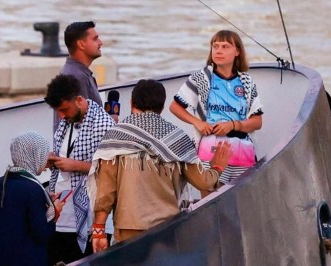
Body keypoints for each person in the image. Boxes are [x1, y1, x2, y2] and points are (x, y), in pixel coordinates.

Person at [88, 79, 232, 253]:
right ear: (162, 107)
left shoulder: (115, 137)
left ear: (132, 103)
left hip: (127, 232)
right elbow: (204, 182)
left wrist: (99, 231)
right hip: (167, 231)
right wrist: (217, 167)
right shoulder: (177, 139)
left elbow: (106, 191)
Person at [169, 30, 263, 191]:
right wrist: (198, 123)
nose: (219, 51)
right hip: (209, 151)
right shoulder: (201, 78)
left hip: (241, 153)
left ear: (237, 51)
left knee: (240, 200)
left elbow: (257, 122)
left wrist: (233, 125)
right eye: (215, 46)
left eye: (225, 47)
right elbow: (175, 107)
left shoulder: (247, 81)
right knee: (211, 199)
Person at [44, 74, 115, 264]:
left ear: (79, 100)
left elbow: (112, 171)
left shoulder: (103, 124)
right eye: (58, 111)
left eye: (64, 110)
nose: (61, 116)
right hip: (62, 218)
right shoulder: (65, 124)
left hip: (91, 220)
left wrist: (74, 165)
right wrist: (53, 160)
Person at [0, 131, 65, 266]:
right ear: (35, 155)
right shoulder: (32, 188)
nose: (45, 160)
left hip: (3, 257)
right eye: (43, 154)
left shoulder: (1, 182)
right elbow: (42, 234)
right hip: (29, 258)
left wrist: (43, 201)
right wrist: (55, 212)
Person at [60, 21, 104, 108]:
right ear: (81, 44)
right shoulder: (77, 77)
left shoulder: (75, 73)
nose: (100, 43)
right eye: (95, 39)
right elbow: (81, 116)